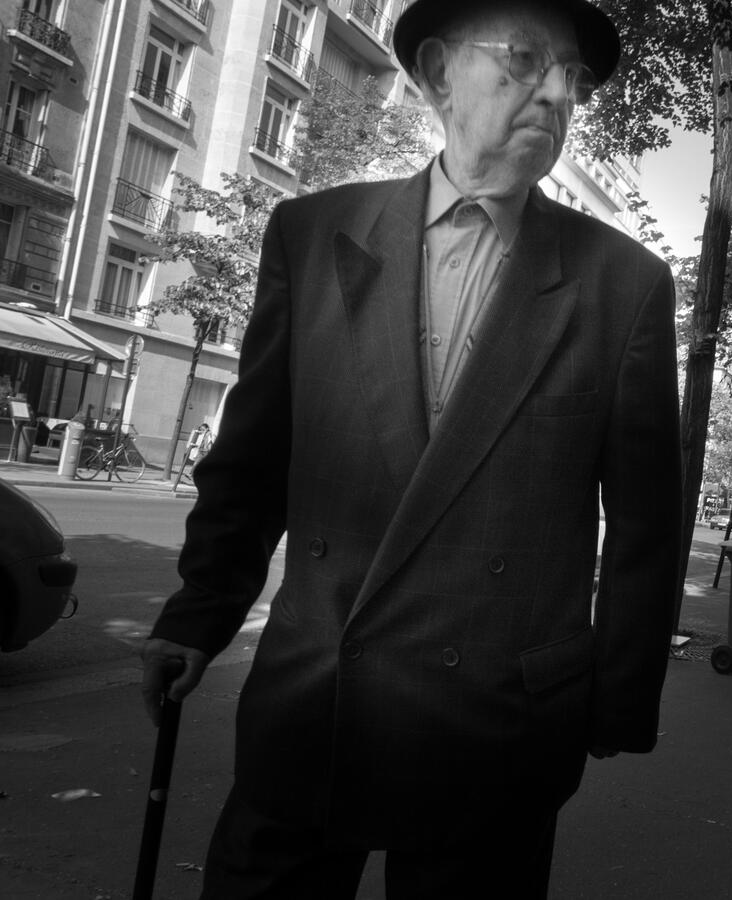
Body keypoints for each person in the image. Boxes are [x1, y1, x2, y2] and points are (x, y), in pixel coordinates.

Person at [138, 1, 682, 895]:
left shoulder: (624, 285)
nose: (555, 93)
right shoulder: (314, 236)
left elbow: (646, 524)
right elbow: (253, 461)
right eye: (523, 60)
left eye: (572, 76)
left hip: (497, 725)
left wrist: (619, 695)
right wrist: (198, 616)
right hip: (319, 702)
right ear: (436, 74)